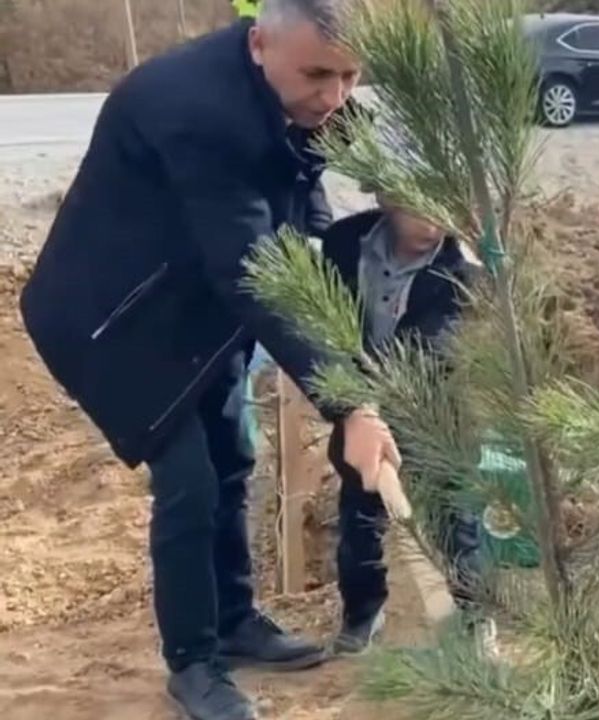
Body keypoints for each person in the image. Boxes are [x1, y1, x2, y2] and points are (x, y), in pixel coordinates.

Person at [18, 2, 397, 719]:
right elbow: (252, 268)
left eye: (351, 77)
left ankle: (233, 620)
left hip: (194, 303)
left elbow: (304, 186)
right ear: (258, 44)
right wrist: (350, 404)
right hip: (113, 321)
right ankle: (194, 662)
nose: (335, 96)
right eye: (318, 75)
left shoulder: (297, 92)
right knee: (189, 480)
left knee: (231, 456)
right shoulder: (198, 112)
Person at [317, 196, 483, 655]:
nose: (434, 224)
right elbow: (319, 324)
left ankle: (474, 617)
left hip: (436, 411)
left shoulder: (462, 269)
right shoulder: (344, 244)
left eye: (441, 209)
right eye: (419, 210)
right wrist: (355, 406)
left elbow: (435, 345)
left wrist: (384, 406)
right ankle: (361, 613)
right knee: (359, 516)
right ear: (387, 198)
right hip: (359, 407)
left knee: (456, 521)